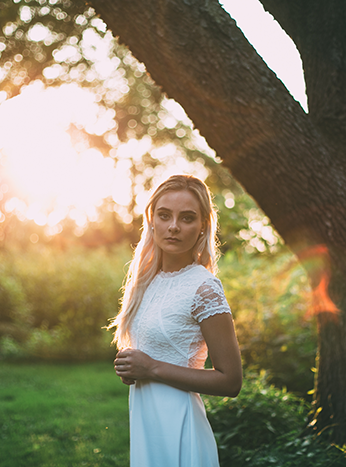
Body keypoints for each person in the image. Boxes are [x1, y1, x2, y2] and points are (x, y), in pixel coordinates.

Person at [110, 174, 242, 467]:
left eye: (187, 218)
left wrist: (152, 367)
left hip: (179, 425)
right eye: (164, 215)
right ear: (152, 219)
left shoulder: (204, 287)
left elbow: (231, 381)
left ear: (202, 227)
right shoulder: (147, 281)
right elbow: (152, 349)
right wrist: (132, 366)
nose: (173, 226)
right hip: (146, 421)